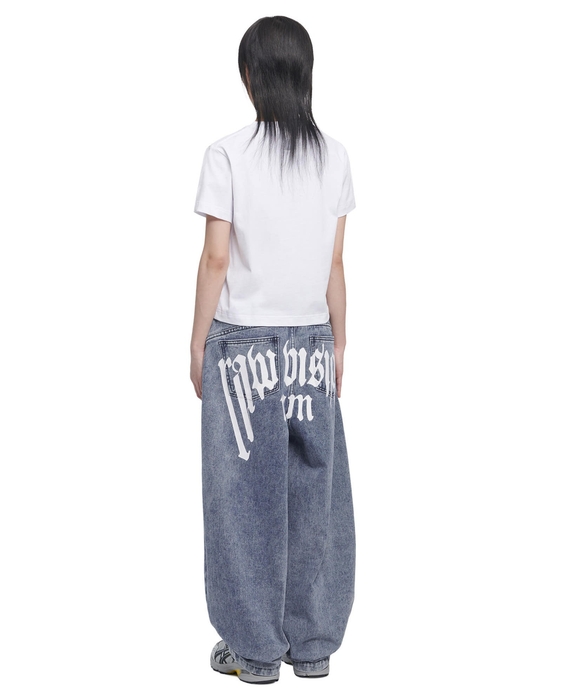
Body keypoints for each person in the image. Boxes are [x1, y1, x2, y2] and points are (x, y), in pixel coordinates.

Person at [190, 16, 356, 685]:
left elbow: (215, 257)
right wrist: (339, 343)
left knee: (241, 501)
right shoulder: (334, 157)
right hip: (312, 341)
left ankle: (254, 652)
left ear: (249, 76)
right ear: (305, 75)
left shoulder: (227, 154)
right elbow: (335, 263)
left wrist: (197, 342)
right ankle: (311, 645)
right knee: (316, 495)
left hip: (243, 348)